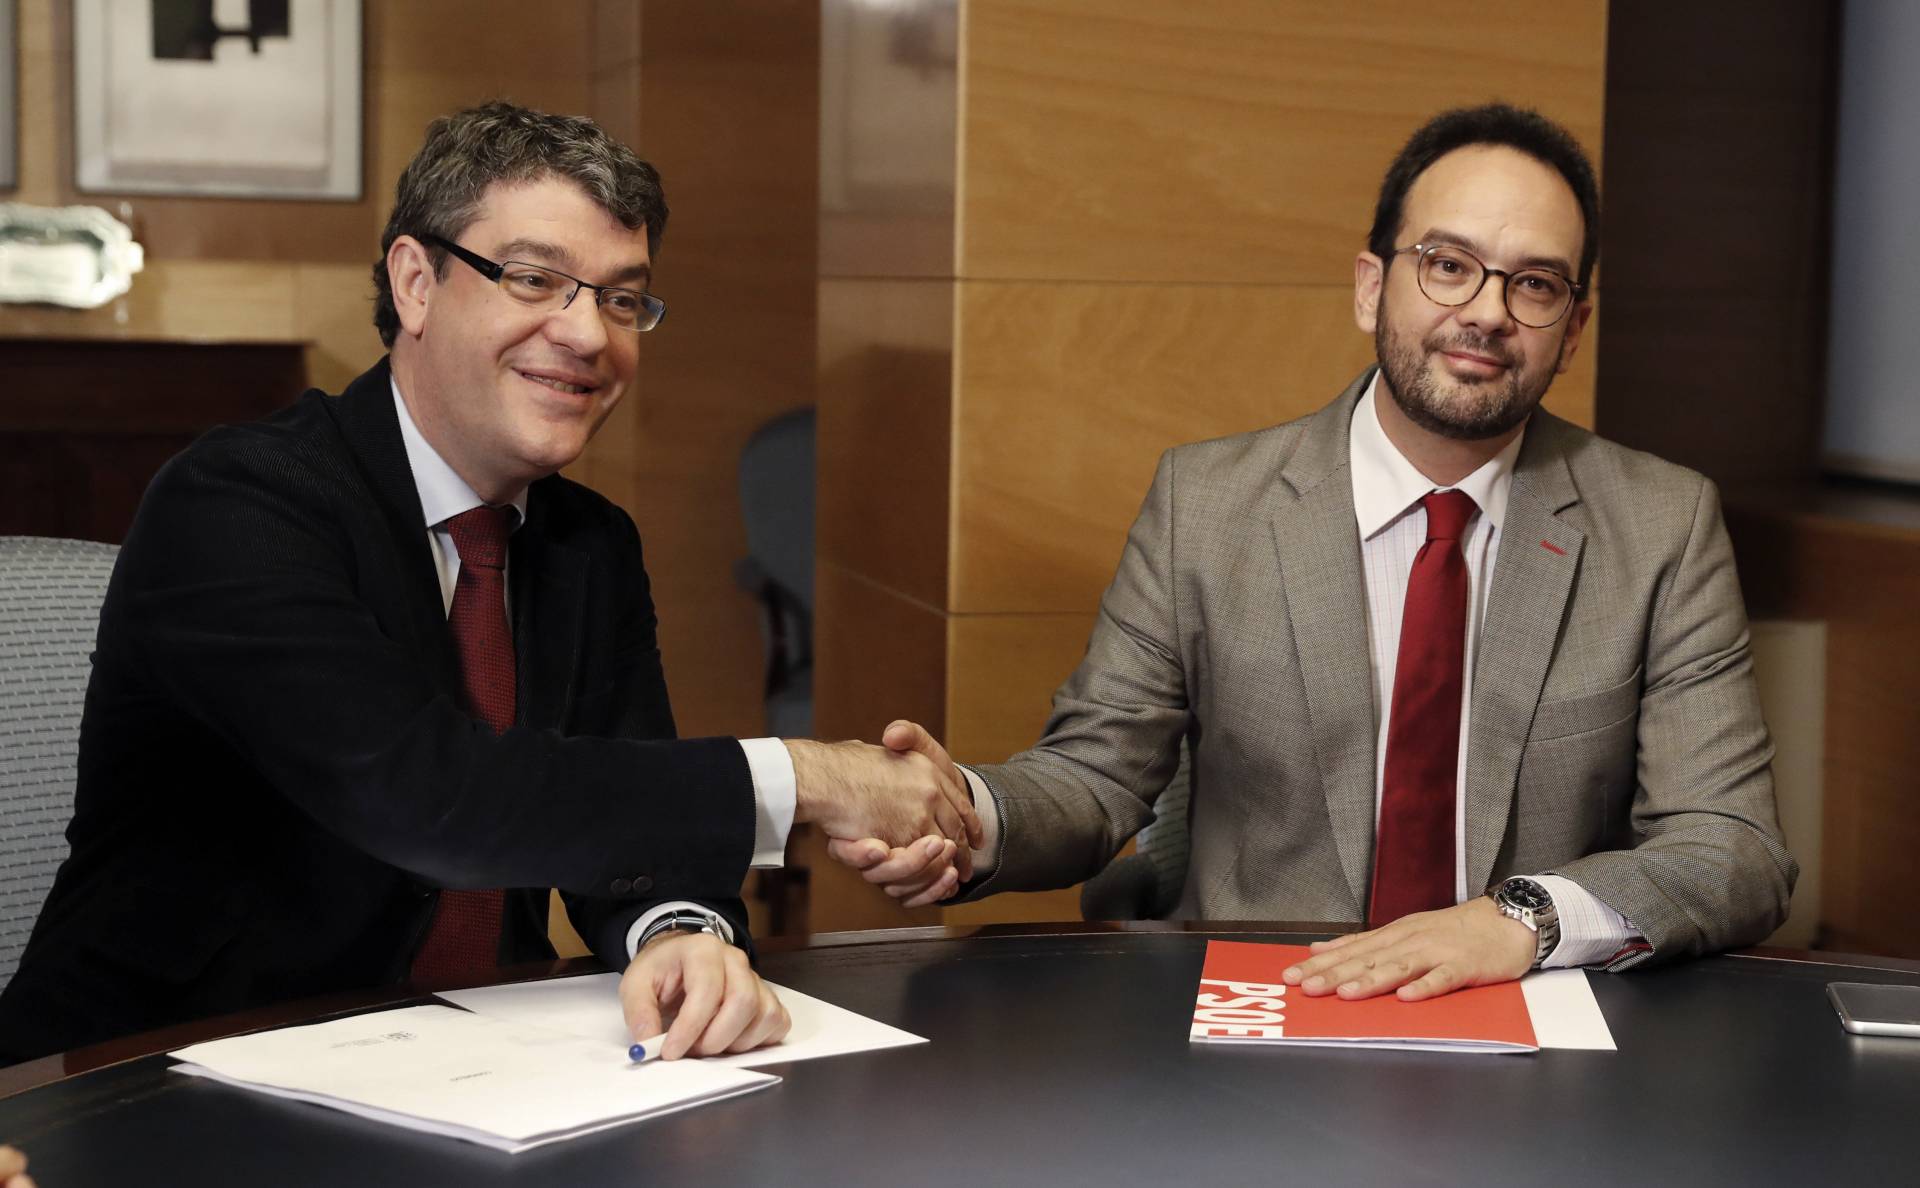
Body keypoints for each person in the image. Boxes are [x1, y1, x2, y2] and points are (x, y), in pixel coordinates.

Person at [0, 102, 978, 1066]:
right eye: (534, 279)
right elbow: (431, 798)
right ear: (416, 283)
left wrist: (679, 933)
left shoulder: (591, 544)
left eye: (622, 297)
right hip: (150, 1081)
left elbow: (625, 813)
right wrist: (812, 778)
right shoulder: (237, 502)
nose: (589, 335)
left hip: (474, 1074)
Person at [834, 103, 1797, 1001]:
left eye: (1535, 284)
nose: (1490, 312)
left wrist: (1518, 922)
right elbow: (1097, 777)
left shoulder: (1661, 526)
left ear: (1573, 329)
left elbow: (1733, 846)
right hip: (1261, 1008)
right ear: (1372, 286)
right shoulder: (1207, 504)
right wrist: (967, 815)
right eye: (1448, 264)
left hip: (1528, 1013)